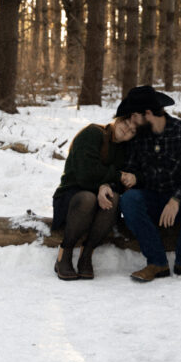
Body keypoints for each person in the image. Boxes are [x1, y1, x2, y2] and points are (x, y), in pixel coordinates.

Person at [117, 85, 181, 283]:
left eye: (133, 115)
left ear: (147, 113)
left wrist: (176, 199)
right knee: (129, 200)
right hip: (151, 201)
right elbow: (131, 169)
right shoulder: (138, 139)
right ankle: (157, 262)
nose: (131, 121)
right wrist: (131, 178)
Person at [52, 114, 136, 280]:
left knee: (114, 198)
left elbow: (118, 183)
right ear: (118, 119)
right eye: (126, 123)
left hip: (97, 197)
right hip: (72, 195)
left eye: (132, 130)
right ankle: (65, 253)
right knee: (88, 199)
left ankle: (87, 254)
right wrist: (109, 180)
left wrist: (107, 186)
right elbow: (85, 174)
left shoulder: (123, 150)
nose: (126, 130)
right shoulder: (92, 133)